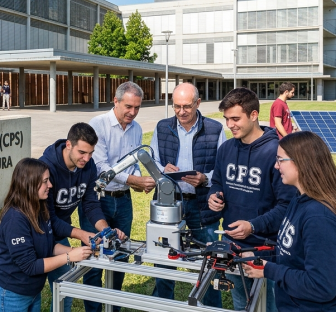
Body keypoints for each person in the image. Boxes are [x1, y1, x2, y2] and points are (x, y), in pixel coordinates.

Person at [242, 131, 336, 312]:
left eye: (280, 160)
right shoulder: (299, 199)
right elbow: (295, 254)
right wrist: (260, 257)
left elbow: (321, 286)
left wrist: (269, 270)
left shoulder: (319, 219)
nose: (276, 166)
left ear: (301, 163)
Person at [207, 87, 297, 311]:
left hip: (266, 249)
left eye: (236, 118)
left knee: (269, 305)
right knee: (242, 303)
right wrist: (214, 196)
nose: (230, 125)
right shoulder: (226, 148)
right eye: (227, 119)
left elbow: (287, 206)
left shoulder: (276, 151)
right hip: (232, 246)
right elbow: (217, 181)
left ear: (254, 115)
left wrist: (253, 226)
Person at [82, 82, 157, 312]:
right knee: (95, 257)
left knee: (121, 255)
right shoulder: (97, 125)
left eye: (137, 107)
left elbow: (133, 163)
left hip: (124, 201)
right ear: (115, 101)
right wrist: (134, 180)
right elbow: (102, 168)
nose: (132, 113)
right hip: (98, 200)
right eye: (128, 106)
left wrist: (138, 181)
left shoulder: (135, 129)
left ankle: (113, 308)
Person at [149, 83, 226, 307]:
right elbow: (153, 160)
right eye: (176, 107)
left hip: (202, 205)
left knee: (209, 261)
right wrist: (163, 170)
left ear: (198, 104)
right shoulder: (162, 127)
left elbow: (220, 170)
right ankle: (164, 306)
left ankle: (211, 308)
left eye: (186, 107)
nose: (181, 112)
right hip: (170, 205)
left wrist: (205, 179)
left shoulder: (215, 128)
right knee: (164, 259)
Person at [39, 123, 126, 312]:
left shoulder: (88, 166)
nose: (86, 158)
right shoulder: (46, 168)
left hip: (59, 235)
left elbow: (91, 203)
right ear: (68, 144)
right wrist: (81, 234)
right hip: (36, 235)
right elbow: (49, 218)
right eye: (82, 152)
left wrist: (105, 230)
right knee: (31, 292)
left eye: (91, 153)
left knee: (64, 289)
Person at [0, 158, 93, 312]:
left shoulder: (39, 208)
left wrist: (74, 251)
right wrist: (69, 257)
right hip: (10, 296)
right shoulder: (14, 219)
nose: (50, 185)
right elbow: (30, 266)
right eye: (45, 181)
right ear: (29, 183)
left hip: (32, 293)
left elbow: (47, 245)